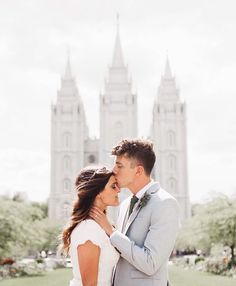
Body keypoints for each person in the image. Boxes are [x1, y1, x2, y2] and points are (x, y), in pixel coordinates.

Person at [91, 139, 180, 286]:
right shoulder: (125, 204)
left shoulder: (165, 204)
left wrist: (111, 232)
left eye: (120, 166)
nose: (114, 170)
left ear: (138, 170)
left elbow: (150, 263)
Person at [61, 166, 120, 286]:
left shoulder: (100, 227)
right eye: (113, 186)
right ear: (98, 192)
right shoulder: (88, 230)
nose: (118, 190)